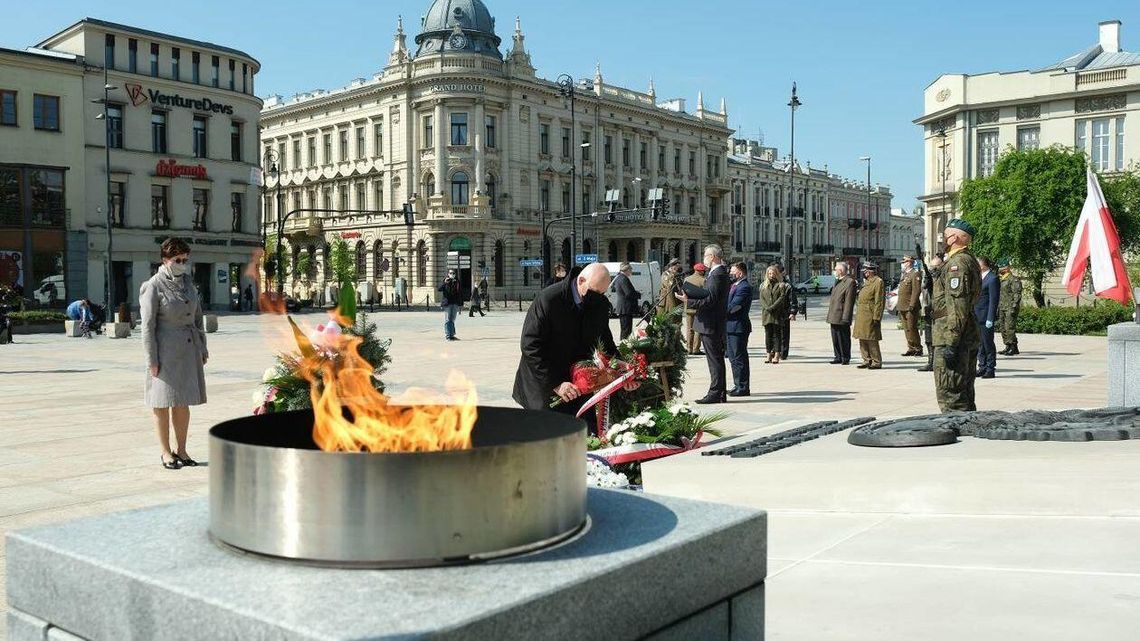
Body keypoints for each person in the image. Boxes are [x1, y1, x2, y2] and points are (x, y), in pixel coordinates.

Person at [513, 263, 620, 423]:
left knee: (584, 435)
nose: (598, 296)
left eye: (602, 293)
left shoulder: (599, 304)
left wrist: (622, 368)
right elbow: (531, 345)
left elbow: (605, 341)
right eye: (595, 291)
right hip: (545, 385)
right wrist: (555, 383)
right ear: (581, 281)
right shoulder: (549, 300)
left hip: (580, 384)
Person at [140, 238, 208, 470]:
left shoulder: (189, 283)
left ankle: (182, 449)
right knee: (162, 403)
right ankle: (166, 452)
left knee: (183, 403)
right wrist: (152, 360)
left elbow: (198, 318)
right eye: (177, 260)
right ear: (165, 260)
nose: (182, 264)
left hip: (189, 349)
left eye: (185, 260)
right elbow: (147, 326)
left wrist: (203, 347)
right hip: (165, 352)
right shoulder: (154, 285)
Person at [933, 219, 982, 412]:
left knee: (951, 393)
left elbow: (957, 306)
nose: (942, 240)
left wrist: (951, 342)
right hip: (964, 334)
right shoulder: (966, 259)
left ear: (954, 238)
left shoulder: (957, 264)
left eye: (944, 236)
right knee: (963, 390)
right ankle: (967, 427)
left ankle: (956, 427)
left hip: (952, 335)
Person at [678, 245, 730, 404]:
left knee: (714, 360)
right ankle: (720, 393)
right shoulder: (717, 274)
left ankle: (715, 393)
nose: (704, 258)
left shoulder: (716, 275)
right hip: (712, 322)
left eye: (706, 255)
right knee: (716, 360)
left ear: (713, 256)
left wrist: (689, 301)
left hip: (710, 323)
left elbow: (711, 300)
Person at [726, 262, 753, 396]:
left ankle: (743, 387)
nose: (731, 274)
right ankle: (737, 384)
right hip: (730, 327)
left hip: (738, 326)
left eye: (733, 272)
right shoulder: (734, 285)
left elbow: (734, 306)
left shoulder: (744, 287)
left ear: (740, 273)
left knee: (739, 358)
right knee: (733, 358)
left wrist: (719, 311)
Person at [853, 263, 885, 369]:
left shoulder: (878, 282)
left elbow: (879, 301)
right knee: (862, 338)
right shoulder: (866, 282)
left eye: (866, 271)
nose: (865, 273)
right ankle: (866, 359)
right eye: (864, 272)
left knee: (871, 339)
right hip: (862, 314)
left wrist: (877, 317)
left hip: (870, 314)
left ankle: (876, 361)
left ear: (871, 271)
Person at [975, 256, 1000, 379]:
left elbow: (993, 300)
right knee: (980, 344)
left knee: (988, 343)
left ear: (983, 265)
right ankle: (982, 366)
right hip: (977, 316)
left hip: (986, 316)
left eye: (977, 263)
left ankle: (990, 368)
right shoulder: (979, 278)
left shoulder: (992, 278)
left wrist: (990, 317)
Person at [826, 262, 857, 365]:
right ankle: (838, 356)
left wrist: (846, 317)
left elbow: (849, 301)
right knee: (835, 337)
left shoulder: (849, 282)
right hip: (834, 314)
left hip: (842, 315)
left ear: (840, 271)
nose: (834, 271)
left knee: (843, 337)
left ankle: (845, 357)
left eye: (835, 269)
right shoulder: (837, 281)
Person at [758, 265, 789, 365]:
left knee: (777, 335)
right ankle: (768, 354)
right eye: (769, 273)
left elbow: (782, 297)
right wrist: (767, 307)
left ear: (777, 274)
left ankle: (776, 354)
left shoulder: (781, 285)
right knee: (768, 335)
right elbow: (761, 298)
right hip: (766, 314)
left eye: (773, 273)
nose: (771, 275)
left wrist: (773, 307)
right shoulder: (763, 285)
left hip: (776, 313)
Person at [897, 256, 923, 356]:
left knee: (912, 327)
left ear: (910, 262)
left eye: (905, 261)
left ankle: (918, 348)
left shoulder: (915, 274)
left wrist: (912, 304)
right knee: (906, 328)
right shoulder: (905, 274)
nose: (903, 263)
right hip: (903, 305)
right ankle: (911, 347)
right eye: (903, 261)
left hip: (910, 306)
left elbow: (916, 291)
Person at [998, 260, 1023, 356]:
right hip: (1002, 307)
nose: (1000, 269)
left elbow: (1017, 294)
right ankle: (1008, 345)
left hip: (1010, 307)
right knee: (1003, 327)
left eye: (1002, 267)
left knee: (1009, 328)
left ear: (1007, 268)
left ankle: (1012, 346)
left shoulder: (1013, 279)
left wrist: (1014, 306)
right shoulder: (1001, 279)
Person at [612, 262, 641, 340]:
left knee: (625, 329)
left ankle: (623, 345)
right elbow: (628, 293)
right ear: (626, 270)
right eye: (630, 269)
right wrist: (638, 294)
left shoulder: (619, 277)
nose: (631, 271)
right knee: (626, 330)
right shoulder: (623, 278)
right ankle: (624, 347)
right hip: (625, 308)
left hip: (624, 308)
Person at [683, 263, 707, 354]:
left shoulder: (687, 279)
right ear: (701, 271)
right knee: (698, 329)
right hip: (698, 307)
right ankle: (696, 349)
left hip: (689, 306)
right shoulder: (704, 280)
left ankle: (689, 348)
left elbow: (684, 292)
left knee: (689, 328)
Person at [778, 264, 797, 358]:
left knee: (784, 334)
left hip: (784, 312)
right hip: (773, 313)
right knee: (774, 334)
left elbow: (793, 299)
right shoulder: (771, 284)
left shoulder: (787, 285)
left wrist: (793, 312)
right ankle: (775, 351)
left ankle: (783, 352)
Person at [438, 269, 463, 340]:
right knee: (448, 319)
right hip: (447, 303)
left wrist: (461, 304)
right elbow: (439, 289)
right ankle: (448, 335)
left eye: (453, 273)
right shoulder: (445, 281)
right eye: (450, 273)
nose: (452, 274)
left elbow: (460, 293)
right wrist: (445, 283)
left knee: (453, 319)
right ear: (448, 274)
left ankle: (452, 335)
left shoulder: (457, 282)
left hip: (455, 303)